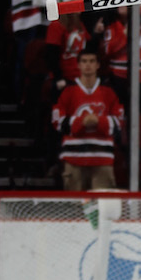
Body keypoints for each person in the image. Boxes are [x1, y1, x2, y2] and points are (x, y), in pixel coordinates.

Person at [51, 50, 124, 191]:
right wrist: (82, 122)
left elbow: (119, 122)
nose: (88, 65)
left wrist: (98, 121)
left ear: (97, 65)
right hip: (73, 159)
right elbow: (58, 122)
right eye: (84, 61)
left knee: (103, 207)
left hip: (102, 158)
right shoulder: (67, 91)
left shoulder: (109, 91)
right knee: (75, 207)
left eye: (91, 61)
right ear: (78, 65)